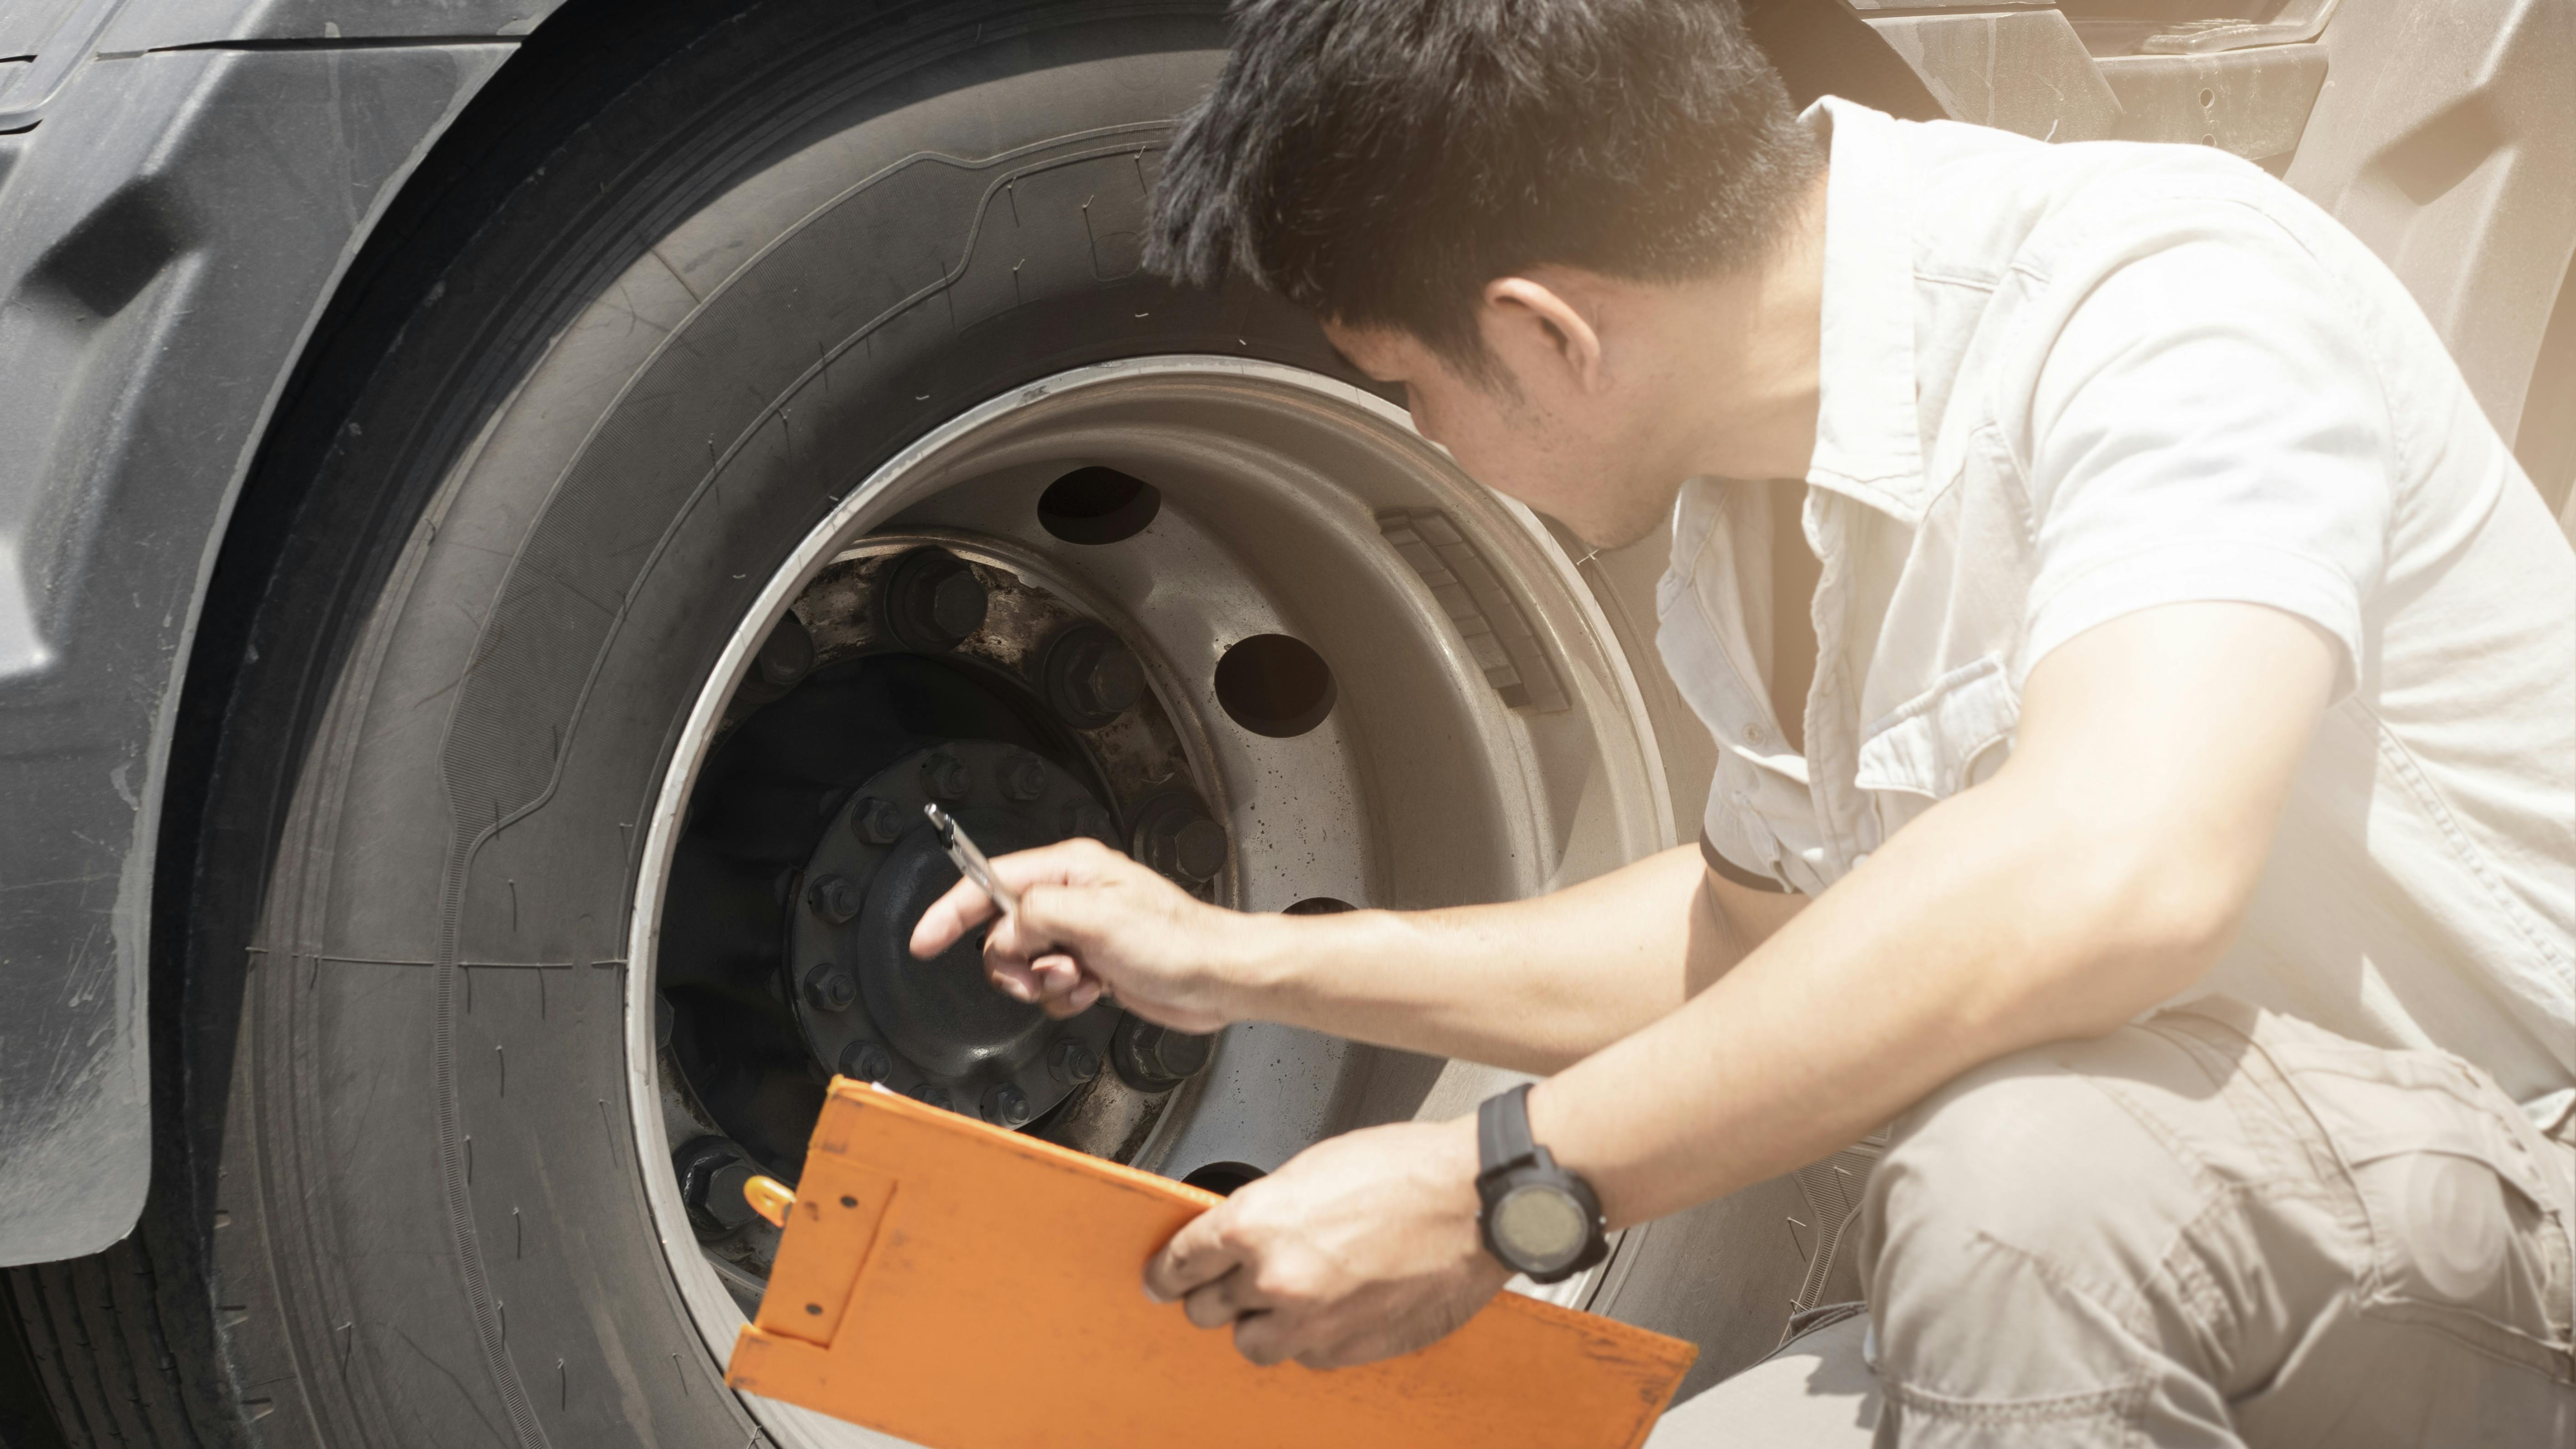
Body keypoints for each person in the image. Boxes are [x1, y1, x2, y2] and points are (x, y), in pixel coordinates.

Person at [910, 1, 2576, 1442]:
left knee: (2023, 1191)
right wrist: (1242, 959)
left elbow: (2120, 867)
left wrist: (1491, 1186)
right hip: (2223, 1233)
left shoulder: (2163, 307)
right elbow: (1746, 945)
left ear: (1546, 334)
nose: (1428, 439)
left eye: (1410, 389)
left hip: (2517, 1203)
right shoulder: (1747, 507)